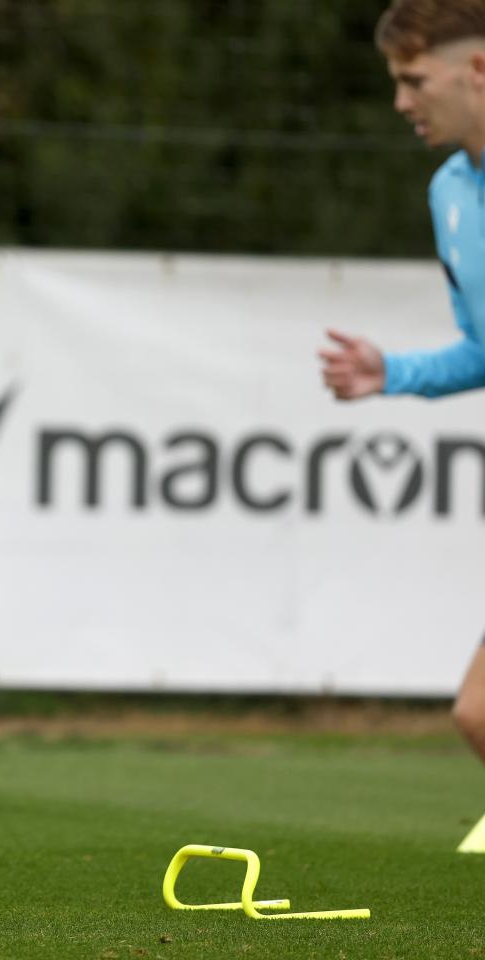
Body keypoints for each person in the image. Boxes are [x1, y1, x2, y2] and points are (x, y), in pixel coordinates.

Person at [320, 0, 485, 779]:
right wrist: (394, 374)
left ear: (478, 69)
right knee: (479, 713)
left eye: (415, 80)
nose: (400, 101)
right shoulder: (449, 193)